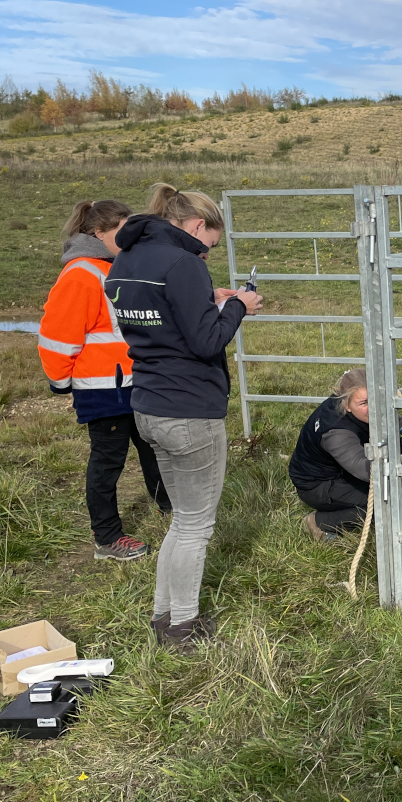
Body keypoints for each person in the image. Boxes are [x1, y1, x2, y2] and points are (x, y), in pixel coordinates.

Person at [104, 183, 261, 649]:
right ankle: (183, 628)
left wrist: (206, 298)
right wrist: (237, 306)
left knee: (181, 521)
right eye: (209, 244)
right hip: (190, 408)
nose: (207, 251)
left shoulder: (126, 260)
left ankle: (162, 615)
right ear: (197, 226)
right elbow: (207, 342)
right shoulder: (183, 263)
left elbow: (160, 320)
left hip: (148, 402)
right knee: (196, 525)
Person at [38, 199, 172, 561]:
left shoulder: (114, 266)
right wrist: (61, 381)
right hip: (102, 388)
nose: (130, 237)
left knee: (153, 448)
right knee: (108, 463)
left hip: (135, 381)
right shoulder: (81, 273)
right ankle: (107, 537)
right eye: (121, 231)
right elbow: (57, 335)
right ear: (98, 232)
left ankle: (169, 509)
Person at [290, 368, 402, 541]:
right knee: (383, 498)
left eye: (375, 399)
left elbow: (379, 409)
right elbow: (362, 468)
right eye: (364, 403)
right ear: (346, 404)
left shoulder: (350, 399)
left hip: (347, 464)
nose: (373, 408)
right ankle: (320, 521)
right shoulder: (336, 432)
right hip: (320, 485)